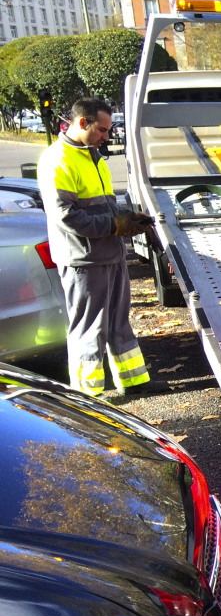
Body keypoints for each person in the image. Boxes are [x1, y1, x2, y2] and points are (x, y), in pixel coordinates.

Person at [37, 97, 158, 398]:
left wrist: (129, 218)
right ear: (82, 123)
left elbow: (105, 205)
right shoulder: (59, 159)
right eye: (102, 130)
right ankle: (88, 397)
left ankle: (133, 383)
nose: (107, 136)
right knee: (88, 328)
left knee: (118, 321)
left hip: (109, 254)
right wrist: (116, 225)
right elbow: (66, 215)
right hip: (84, 259)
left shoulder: (93, 156)